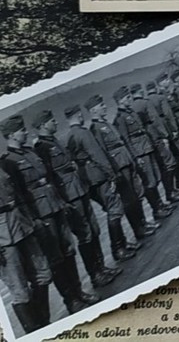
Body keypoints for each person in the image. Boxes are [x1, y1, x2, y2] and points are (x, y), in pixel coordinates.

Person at [0, 115, 98, 314]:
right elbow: (19, 195)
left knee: (68, 250)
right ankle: (71, 300)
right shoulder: (9, 162)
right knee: (55, 258)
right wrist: (33, 219)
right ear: (11, 135)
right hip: (40, 213)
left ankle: (79, 291)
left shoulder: (30, 152)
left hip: (55, 205)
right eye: (21, 130)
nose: (26, 132)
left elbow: (49, 178)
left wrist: (61, 201)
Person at [34, 110, 121, 291]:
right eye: (51, 121)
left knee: (94, 229)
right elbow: (50, 177)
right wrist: (61, 199)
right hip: (69, 194)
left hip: (79, 188)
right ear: (42, 125)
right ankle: (95, 274)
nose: (56, 123)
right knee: (84, 234)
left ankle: (101, 267)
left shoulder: (54, 141)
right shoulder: (42, 147)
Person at [66, 100, 137, 263]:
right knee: (115, 209)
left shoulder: (70, 135)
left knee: (111, 209)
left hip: (87, 179)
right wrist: (112, 175)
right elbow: (98, 156)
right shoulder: (83, 133)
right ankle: (118, 248)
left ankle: (121, 244)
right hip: (98, 176)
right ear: (79, 115)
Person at [88, 93, 159, 250]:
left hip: (126, 161)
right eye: (101, 105)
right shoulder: (96, 129)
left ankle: (142, 223)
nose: (104, 107)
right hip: (119, 165)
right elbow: (102, 152)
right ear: (93, 110)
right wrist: (113, 172)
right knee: (128, 200)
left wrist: (132, 159)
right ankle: (138, 229)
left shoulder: (105, 123)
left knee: (135, 195)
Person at [0, 162, 52, 333]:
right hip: (3, 239)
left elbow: (17, 194)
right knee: (20, 291)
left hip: (22, 225)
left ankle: (44, 323)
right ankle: (35, 332)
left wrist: (31, 219)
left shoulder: (2, 166)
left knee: (43, 274)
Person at [112, 86, 172, 224]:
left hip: (146, 147)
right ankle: (156, 209)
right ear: (120, 101)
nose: (130, 99)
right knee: (149, 181)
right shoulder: (120, 118)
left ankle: (160, 204)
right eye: (127, 97)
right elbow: (126, 139)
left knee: (155, 177)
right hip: (139, 152)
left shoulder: (131, 112)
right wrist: (135, 157)